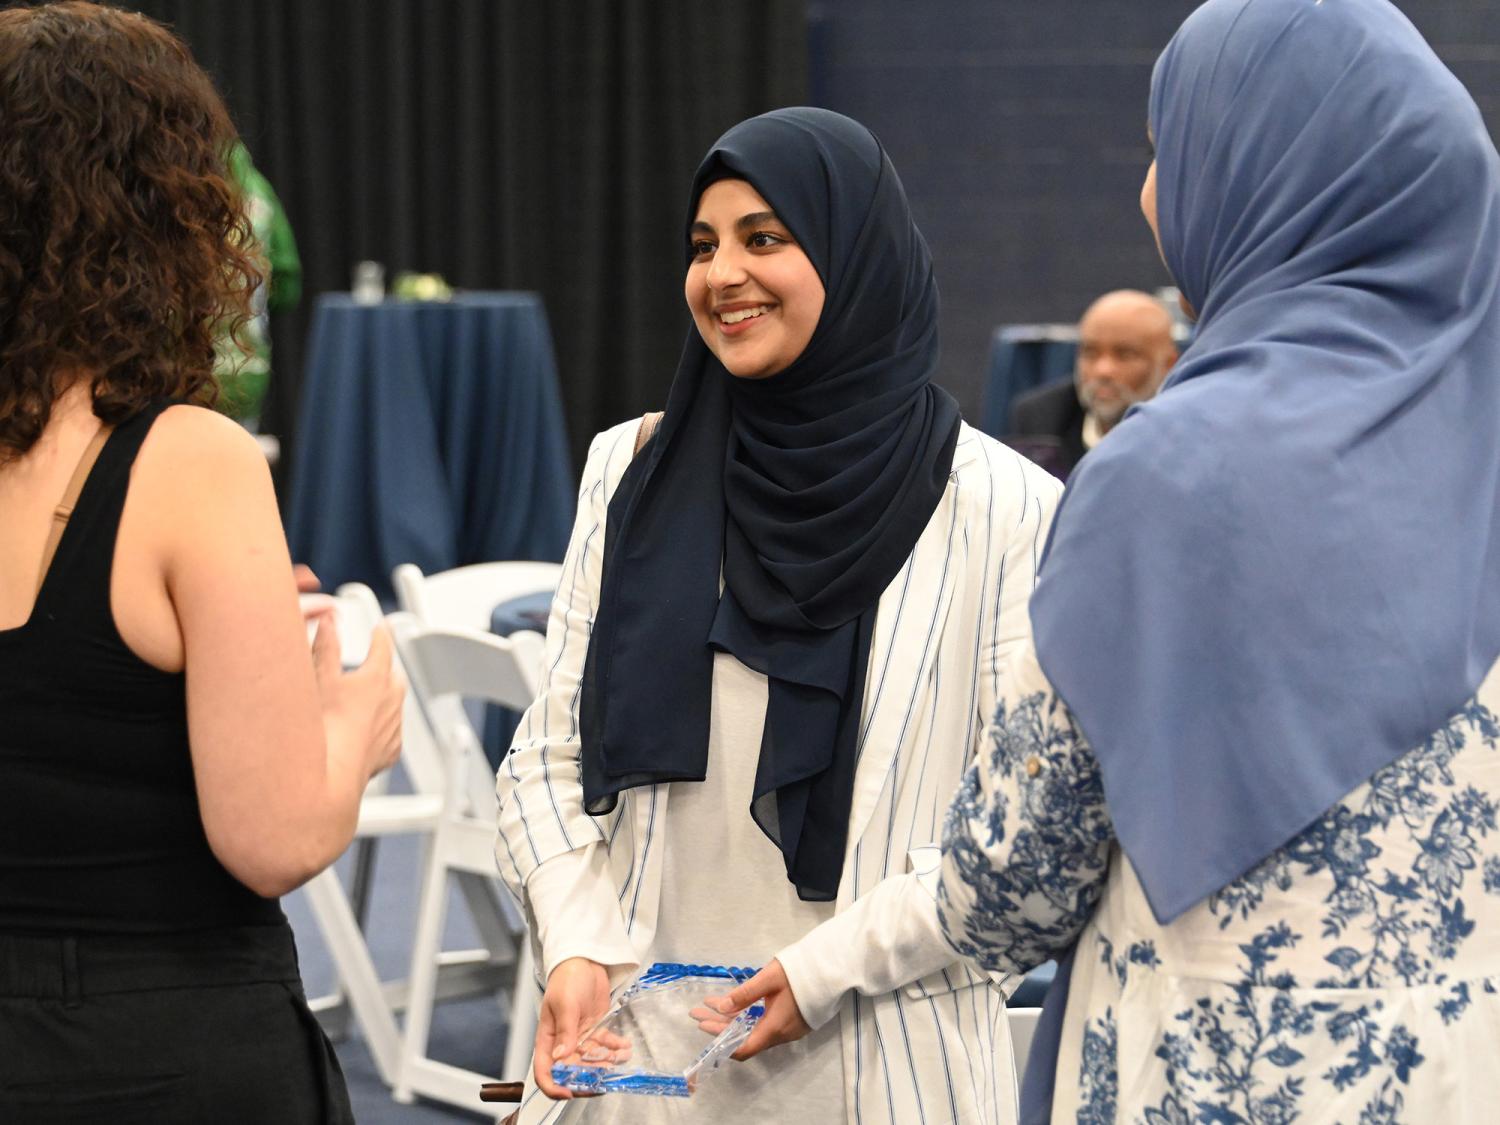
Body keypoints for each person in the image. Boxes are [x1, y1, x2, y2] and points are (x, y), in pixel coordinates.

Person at [937, 0, 1500, 1121]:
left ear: (1255, 178)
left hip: (1211, 1076)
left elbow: (1008, 891)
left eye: (1165, 150)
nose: (1150, 193)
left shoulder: (1165, 475)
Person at [495, 107, 1062, 1124]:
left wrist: (821, 972)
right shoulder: (633, 469)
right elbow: (549, 754)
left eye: (765, 239)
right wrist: (575, 940)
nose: (723, 275)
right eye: (702, 246)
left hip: (878, 1056)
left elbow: (1012, 830)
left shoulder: (1005, 506)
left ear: (856, 256)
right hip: (641, 1059)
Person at [0, 5, 403, 1122]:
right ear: (165, 209)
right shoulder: (191, 459)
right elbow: (272, 840)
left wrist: (224, 631)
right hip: (165, 1046)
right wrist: (349, 725)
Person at [1007, 290, 1177, 475]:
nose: (1103, 371)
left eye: (1125, 354)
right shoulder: (1041, 419)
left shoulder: (1185, 430)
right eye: (1090, 353)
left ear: (1168, 364)